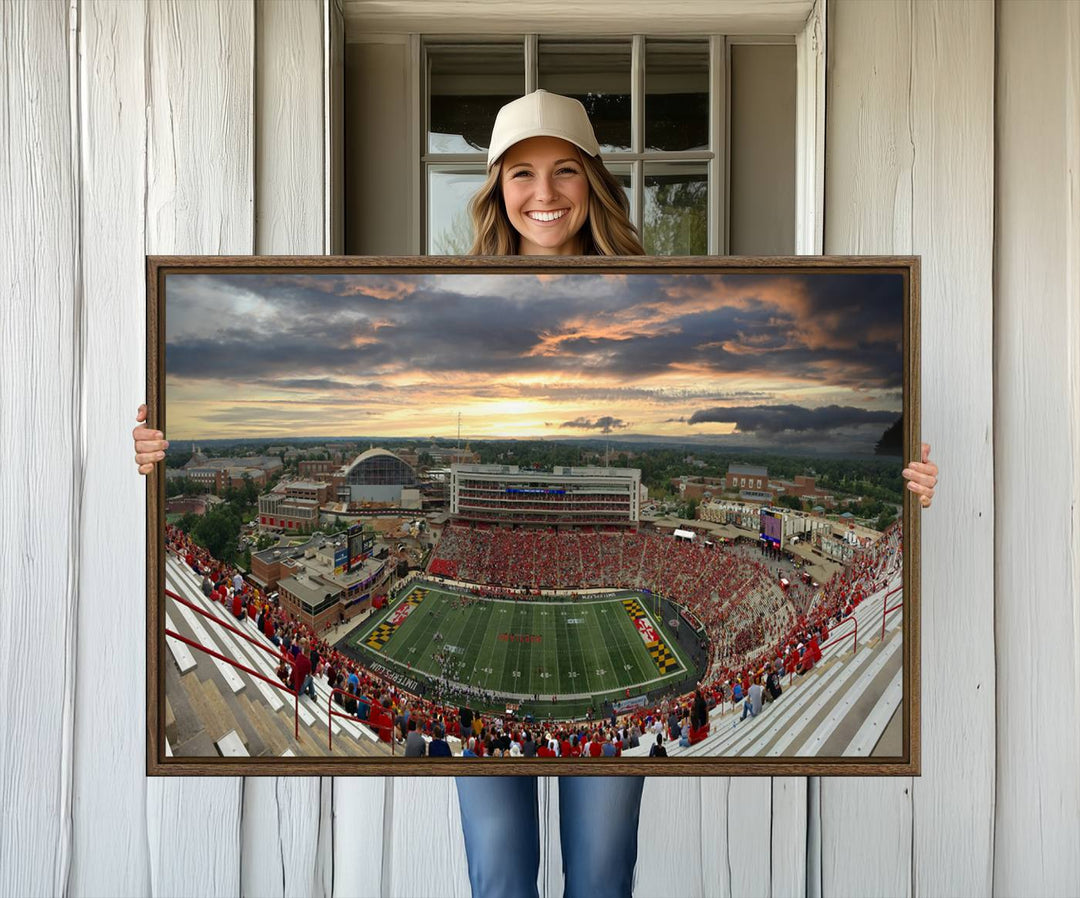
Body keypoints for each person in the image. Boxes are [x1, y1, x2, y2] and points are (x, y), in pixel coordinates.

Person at [132, 89, 939, 898]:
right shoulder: (448, 294)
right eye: (521, 173)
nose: (544, 193)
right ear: (495, 188)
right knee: (501, 875)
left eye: (564, 171)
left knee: (599, 875)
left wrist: (906, 483)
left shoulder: (655, 294)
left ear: (593, 181)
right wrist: (161, 450)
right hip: (486, 697)